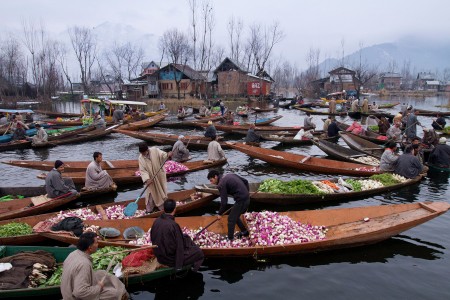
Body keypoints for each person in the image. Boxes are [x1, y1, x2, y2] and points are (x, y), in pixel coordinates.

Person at [60, 232, 127, 300]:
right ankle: (121, 294)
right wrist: (98, 287)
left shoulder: (73, 254)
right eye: (96, 242)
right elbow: (80, 292)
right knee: (114, 294)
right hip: (73, 297)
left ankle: (121, 291)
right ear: (90, 248)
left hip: (71, 289)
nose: (98, 244)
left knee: (101, 273)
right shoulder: (84, 264)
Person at [150, 200, 204, 272]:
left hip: (159, 255)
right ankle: (193, 270)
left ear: (163, 209)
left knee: (186, 237)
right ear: (174, 209)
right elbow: (179, 246)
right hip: (169, 259)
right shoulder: (173, 225)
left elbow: (152, 237)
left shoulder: (156, 221)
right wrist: (179, 265)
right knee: (199, 253)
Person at [207, 170, 250, 241]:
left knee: (231, 219)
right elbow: (246, 181)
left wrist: (220, 213)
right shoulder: (229, 175)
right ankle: (245, 232)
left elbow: (224, 202)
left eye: (211, 180)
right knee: (235, 216)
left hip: (241, 201)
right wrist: (247, 193)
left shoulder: (221, 184)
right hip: (245, 198)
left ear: (215, 177)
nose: (211, 182)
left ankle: (230, 239)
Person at [138, 143, 171, 213]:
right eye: (141, 153)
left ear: (147, 150)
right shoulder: (140, 158)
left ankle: (162, 207)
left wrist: (167, 155)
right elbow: (143, 170)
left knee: (161, 191)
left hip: (159, 176)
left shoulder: (154, 150)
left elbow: (162, 155)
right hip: (150, 179)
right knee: (150, 193)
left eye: (144, 153)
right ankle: (149, 210)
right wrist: (147, 179)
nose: (143, 154)